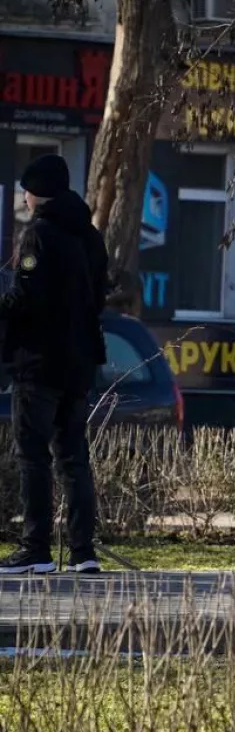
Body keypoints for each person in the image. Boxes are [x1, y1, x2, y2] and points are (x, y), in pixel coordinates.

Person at [0, 156, 107, 575]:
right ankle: (83, 553)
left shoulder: (37, 235)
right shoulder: (90, 236)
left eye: (26, 190)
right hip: (79, 364)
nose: (23, 197)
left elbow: (25, 298)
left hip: (39, 363)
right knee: (74, 457)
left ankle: (36, 550)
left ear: (36, 192)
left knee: (32, 457)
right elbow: (99, 295)